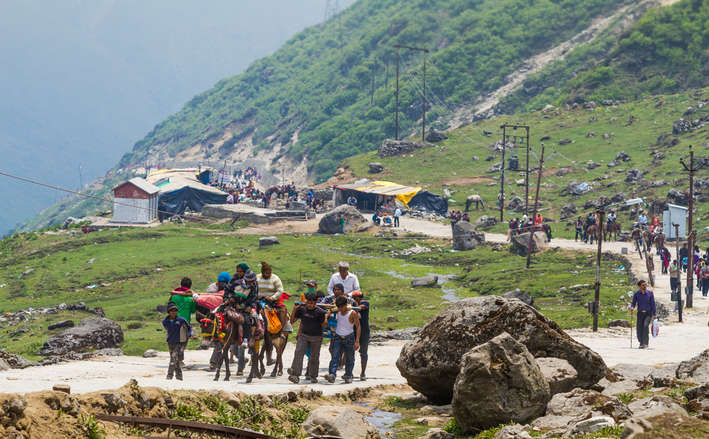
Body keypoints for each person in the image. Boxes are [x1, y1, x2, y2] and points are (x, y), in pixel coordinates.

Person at [288, 292, 327, 384]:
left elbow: (324, 326)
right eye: (308, 303)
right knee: (298, 353)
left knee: (314, 357)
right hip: (304, 335)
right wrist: (294, 310)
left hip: (316, 337)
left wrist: (326, 317)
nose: (310, 305)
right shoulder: (302, 309)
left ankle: (313, 376)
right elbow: (292, 321)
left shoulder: (320, 312)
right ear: (306, 302)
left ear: (315, 303)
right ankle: (295, 375)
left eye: (312, 303)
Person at [324, 295, 360, 384]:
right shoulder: (338, 310)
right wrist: (328, 314)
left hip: (349, 337)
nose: (340, 309)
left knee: (349, 358)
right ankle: (332, 374)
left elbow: (358, 327)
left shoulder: (352, 313)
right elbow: (330, 310)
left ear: (345, 305)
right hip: (338, 337)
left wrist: (357, 341)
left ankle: (348, 375)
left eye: (342, 307)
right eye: (339, 307)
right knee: (335, 357)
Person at [168, 277, 197, 366]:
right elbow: (193, 310)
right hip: (185, 322)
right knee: (183, 342)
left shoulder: (174, 296)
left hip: (173, 321)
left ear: (181, 284)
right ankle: (179, 361)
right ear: (190, 286)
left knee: (173, 340)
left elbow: (169, 305)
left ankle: (173, 358)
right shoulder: (190, 299)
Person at [162, 303, 190, 380]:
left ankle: (169, 376)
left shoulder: (181, 320)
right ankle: (179, 376)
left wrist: (189, 334)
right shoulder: (165, 321)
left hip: (180, 342)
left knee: (173, 358)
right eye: (172, 311)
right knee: (175, 360)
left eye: (175, 311)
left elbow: (189, 328)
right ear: (168, 312)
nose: (174, 312)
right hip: (170, 342)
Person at [630, 280, 656, 349]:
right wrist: (632, 307)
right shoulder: (636, 294)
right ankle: (641, 343)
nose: (645, 286)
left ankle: (646, 343)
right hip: (640, 313)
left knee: (645, 326)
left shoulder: (650, 293)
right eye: (643, 285)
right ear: (639, 286)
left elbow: (653, 304)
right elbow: (633, 303)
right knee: (639, 328)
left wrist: (654, 313)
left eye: (645, 285)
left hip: (648, 313)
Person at [351, 290, 370, 381]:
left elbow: (360, 308)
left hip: (364, 331)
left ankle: (363, 373)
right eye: (354, 298)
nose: (355, 299)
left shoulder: (365, 303)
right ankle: (349, 372)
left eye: (357, 297)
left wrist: (350, 307)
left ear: (361, 297)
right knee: (351, 352)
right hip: (354, 330)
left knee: (363, 353)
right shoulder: (352, 305)